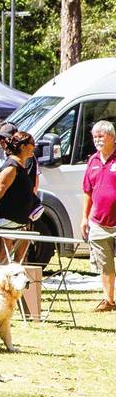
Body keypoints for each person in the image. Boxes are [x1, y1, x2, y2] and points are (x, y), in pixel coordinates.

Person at [0, 130, 41, 264]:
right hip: (7, 221)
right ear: (23, 147)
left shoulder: (22, 165)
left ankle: (15, 283)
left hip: (20, 220)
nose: (35, 146)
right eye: (32, 144)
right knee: (3, 256)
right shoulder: (11, 168)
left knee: (20, 256)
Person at [82, 120, 116, 312]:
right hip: (99, 222)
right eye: (95, 137)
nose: (97, 140)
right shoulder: (93, 161)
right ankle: (109, 300)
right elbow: (87, 191)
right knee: (105, 264)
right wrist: (84, 218)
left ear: (111, 136)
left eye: (101, 136)